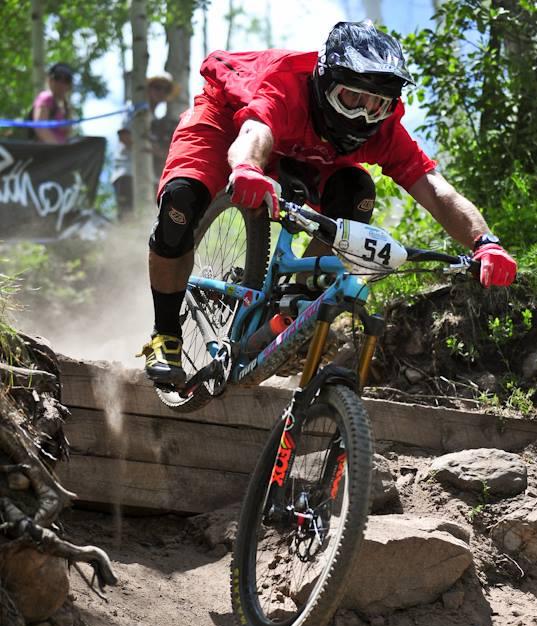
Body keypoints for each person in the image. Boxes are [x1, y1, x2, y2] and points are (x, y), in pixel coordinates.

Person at [140, 20, 517, 385]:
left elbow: (436, 189)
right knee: (181, 203)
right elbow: (256, 132)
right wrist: (247, 168)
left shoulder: (383, 128)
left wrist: (485, 243)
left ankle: (294, 297)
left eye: (378, 104)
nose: (364, 115)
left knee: (356, 192)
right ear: (325, 84)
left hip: (304, 149)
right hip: (228, 121)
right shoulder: (286, 85)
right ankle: (166, 335)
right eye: (353, 98)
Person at [32, 63, 74, 145]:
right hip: (48, 153)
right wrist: (60, 149)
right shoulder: (46, 97)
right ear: (49, 80)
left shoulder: (65, 107)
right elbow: (40, 128)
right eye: (57, 78)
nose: (61, 84)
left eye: (66, 80)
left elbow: (68, 133)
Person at [111, 127, 134, 219]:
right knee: (124, 206)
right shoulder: (122, 147)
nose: (125, 137)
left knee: (131, 205)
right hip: (123, 177)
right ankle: (124, 226)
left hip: (129, 177)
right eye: (123, 135)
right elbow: (126, 140)